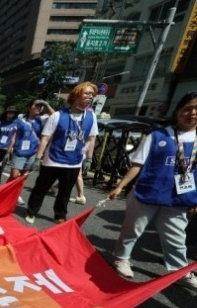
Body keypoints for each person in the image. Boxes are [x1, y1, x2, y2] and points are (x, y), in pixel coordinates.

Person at [107, 91, 197, 290]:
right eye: (187, 108)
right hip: (148, 193)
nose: (192, 113)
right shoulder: (158, 135)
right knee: (132, 229)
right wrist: (120, 186)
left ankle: (179, 270)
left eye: (196, 109)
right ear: (178, 111)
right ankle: (121, 258)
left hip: (179, 198)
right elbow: (137, 164)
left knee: (176, 237)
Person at [25, 82, 99, 224]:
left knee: (65, 192)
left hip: (74, 161)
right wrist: (37, 158)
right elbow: (45, 138)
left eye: (92, 94)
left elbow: (92, 137)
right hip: (53, 159)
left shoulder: (91, 117)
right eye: (87, 93)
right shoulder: (58, 116)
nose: (90, 96)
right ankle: (31, 211)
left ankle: (60, 215)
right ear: (76, 95)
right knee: (41, 188)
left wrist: (89, 158)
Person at [7, 99, 54, 204]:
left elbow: (56, 116)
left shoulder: (42, 119)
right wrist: (9, 149)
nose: (39, 107)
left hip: (32, 153)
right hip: (19, 152)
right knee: (14, 175)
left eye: (40, 106)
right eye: (36, 105)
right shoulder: (20, 120)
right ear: (29, 107)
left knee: (23, 177)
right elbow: (14, 136)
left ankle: (17, 195)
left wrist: (47, 104)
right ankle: (5, 192)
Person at [0, 106, 18, 183]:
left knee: (2, 164)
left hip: (7, 147)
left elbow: (15, 136)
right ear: (6, 113)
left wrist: (11, 148)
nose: (10, 114)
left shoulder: (15, 123)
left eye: (12, 113)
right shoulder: (0, 122)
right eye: (9, 112)